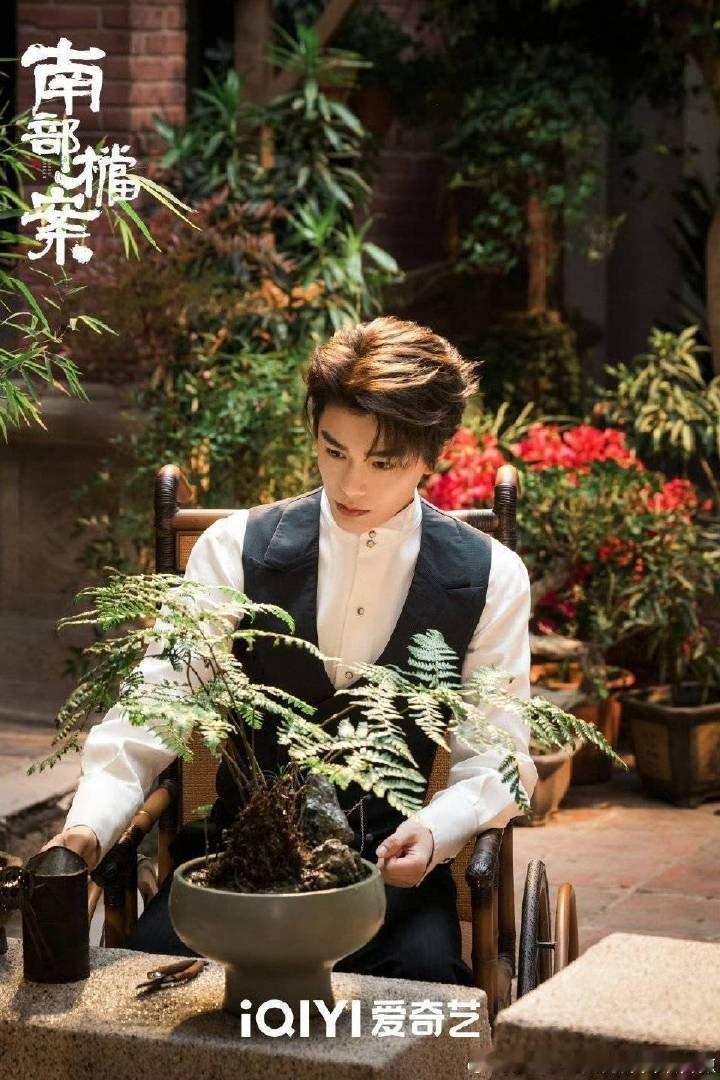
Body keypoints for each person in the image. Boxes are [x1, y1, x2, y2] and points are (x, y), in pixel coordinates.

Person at [43, 315, 536, 985]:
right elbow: (154, 707)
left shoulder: (489, 576)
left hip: (388, 880)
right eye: (334, 451)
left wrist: (436, 829)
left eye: (383, 462)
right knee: (141, 993)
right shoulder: (234, 550)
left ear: (432, 454)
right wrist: (85, 831)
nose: (352, 484)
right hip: (236, 872)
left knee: (425, 998)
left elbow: (499, 757)